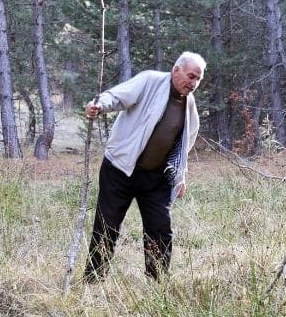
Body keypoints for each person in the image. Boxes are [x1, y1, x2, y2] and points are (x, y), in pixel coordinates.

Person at [83, 52, 206, 282]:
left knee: (160, 230)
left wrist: (180, 176)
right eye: (191, 76)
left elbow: (183, 144)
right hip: (119, 169)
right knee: (106, 226)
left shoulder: (189, 105)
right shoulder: (150, 81)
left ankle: (156, 284)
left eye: (198, 79)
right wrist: (98, 105)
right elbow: (117, 96)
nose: (193, 83)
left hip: (156, 179)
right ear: (176, 70)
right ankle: (93, 282)